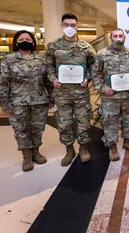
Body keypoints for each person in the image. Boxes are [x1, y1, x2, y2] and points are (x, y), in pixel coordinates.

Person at [0, 30, 54, 171]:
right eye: (21, 38)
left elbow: (48, 81)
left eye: (28, 38)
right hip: (17, 102)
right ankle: (26, 156)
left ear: (33, 42)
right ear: (16, 42)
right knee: (21, 129)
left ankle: (36, 152)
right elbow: (2, 83)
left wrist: (51, 98)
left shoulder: (41, 60)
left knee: (37, 128)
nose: (25, 40)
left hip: (39, 101)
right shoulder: (8, 60)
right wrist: (4, 103)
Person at [45, 13, 96, 166]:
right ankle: (69, 149)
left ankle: (84, 148)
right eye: (66, 25)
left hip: (81, 92)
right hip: (61, 93)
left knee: (83, 121)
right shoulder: (53, 46)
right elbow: (47, 66)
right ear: (61, 26)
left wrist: (87, 78)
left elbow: (94, 66)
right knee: (64, 123)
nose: (69, 28)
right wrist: (53, 78)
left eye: (72, 25)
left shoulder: (86, 47)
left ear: (77, 26)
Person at [92, 28, 129, 161]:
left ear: (124, 38)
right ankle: (112, 145)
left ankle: (128, 142)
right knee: (110, 121)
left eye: (120, 35)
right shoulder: (102, 54)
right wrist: (103, 88)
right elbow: (95, 74)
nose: (118, 38)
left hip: (127, 96)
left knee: (128, 119)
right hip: (110, 96)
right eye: (115, 36)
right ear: (110, 38)